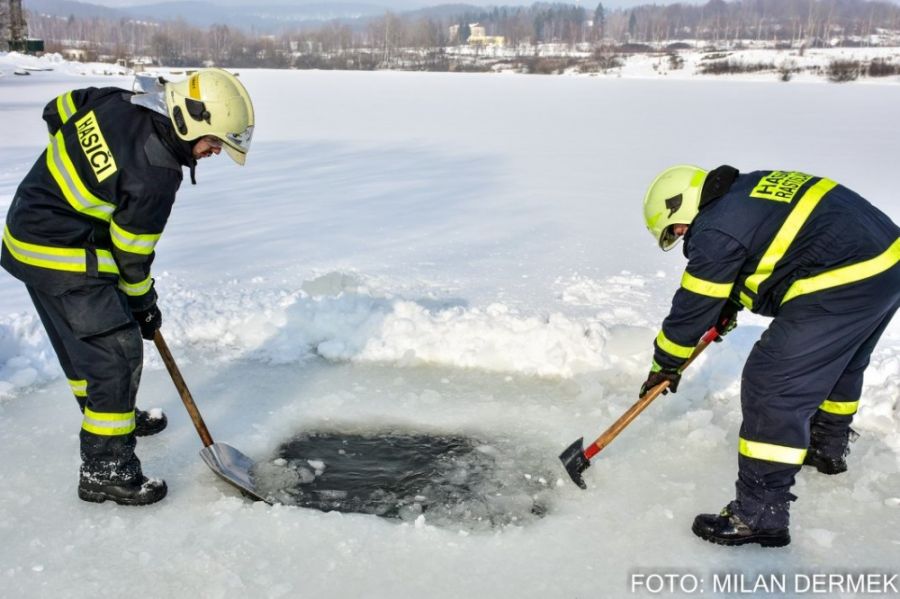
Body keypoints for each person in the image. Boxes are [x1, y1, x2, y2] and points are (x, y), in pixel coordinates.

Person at [1, 68, 255, 506]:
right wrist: (143, 306)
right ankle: (106, 471)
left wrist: (74, 178)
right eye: (214, 141)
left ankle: (110, 414)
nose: (214, 152)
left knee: (85, 343)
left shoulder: (117, 101)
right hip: (60, 254)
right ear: (190, 121)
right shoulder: (157, 172)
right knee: (116, 351)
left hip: (24, 234)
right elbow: (132, 257)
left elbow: (59, 108)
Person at [640, 165, 899, 547]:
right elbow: (769, 249)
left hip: (844, 275)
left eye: (676, 229)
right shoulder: (744, 192)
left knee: (771, 383)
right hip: (886, 263)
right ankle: (827, 448)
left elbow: (691, 309)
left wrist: (665, 363)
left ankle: (759, 514)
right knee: (841, 362)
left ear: (680, 207)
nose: (682, 237)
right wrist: (727, 305)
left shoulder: (714, 229)